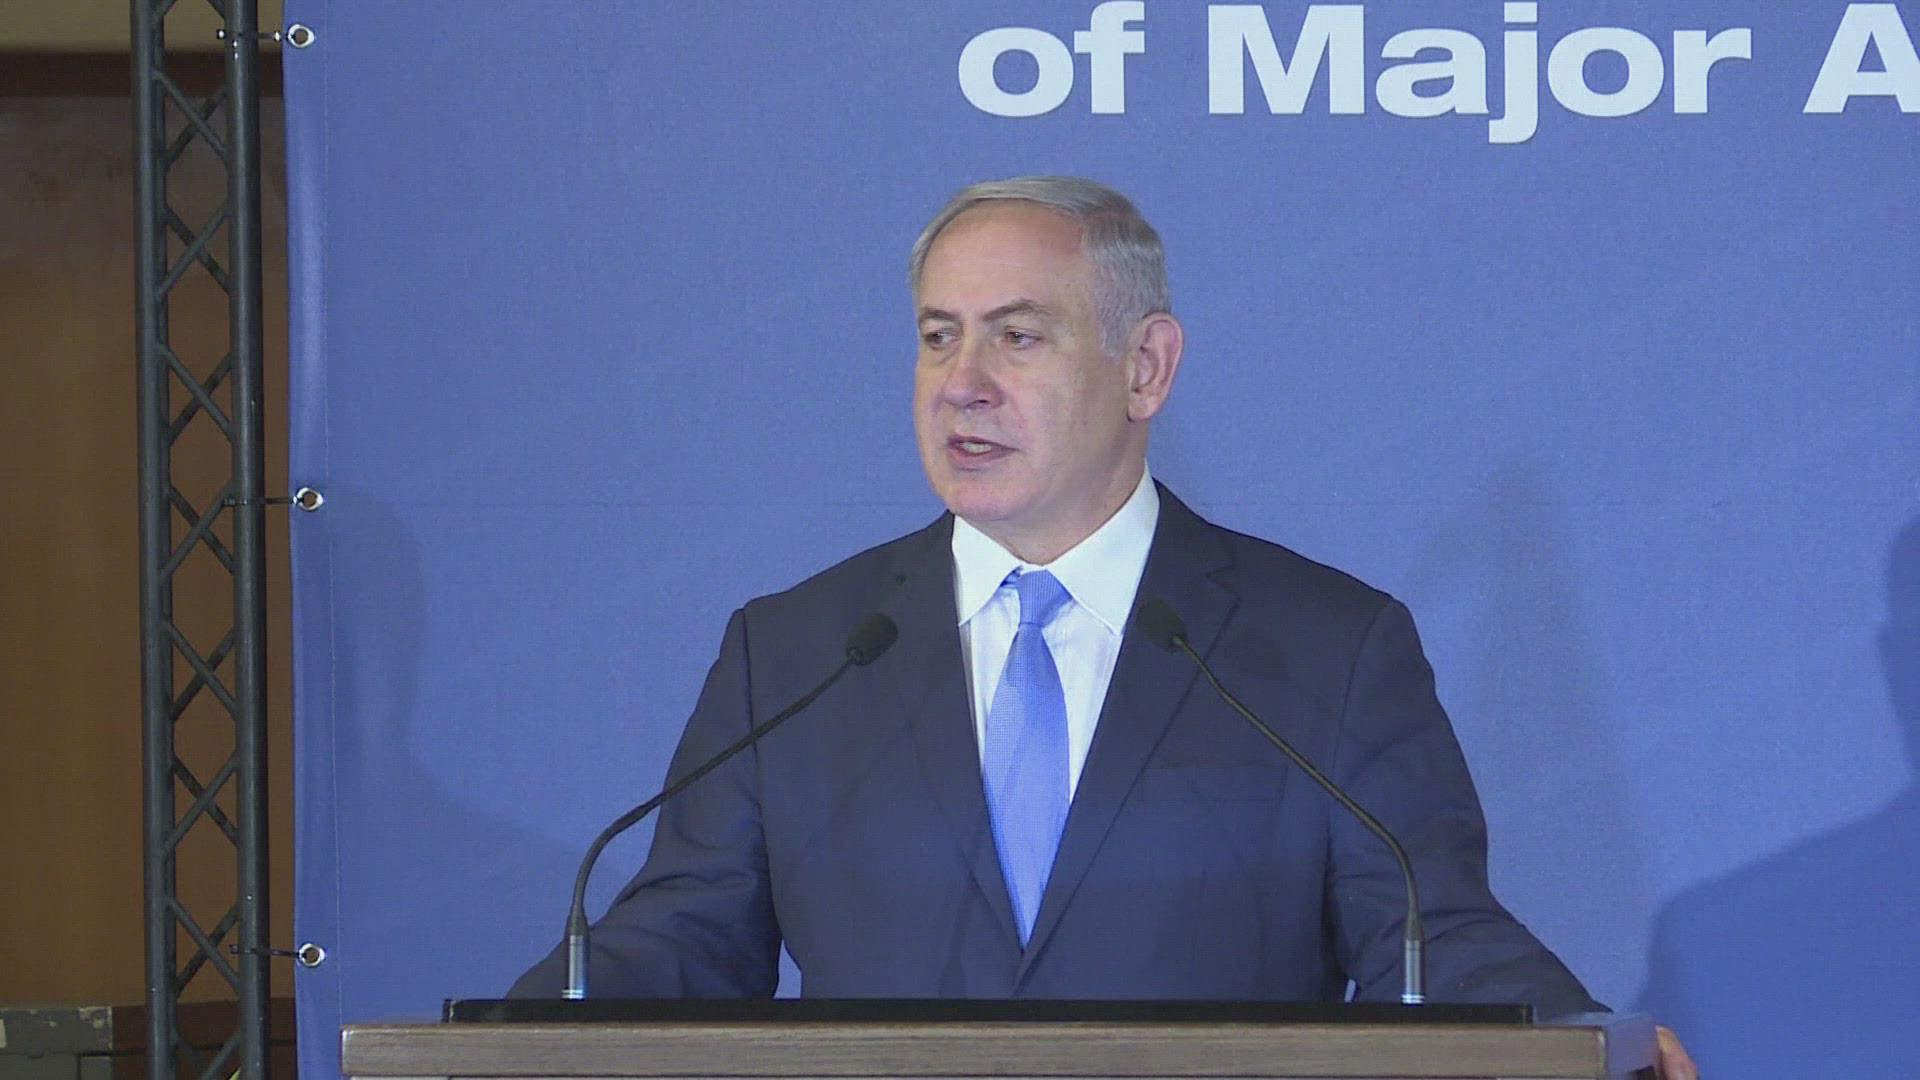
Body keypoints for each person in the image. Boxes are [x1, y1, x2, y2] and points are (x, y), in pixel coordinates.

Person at [513, 176, 1697, 1078]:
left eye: (1018, 335)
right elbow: (682, 943)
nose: (962, 382)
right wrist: (505, 1041)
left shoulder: (1326, 650)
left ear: (1147, 368)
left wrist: (1592, 1044)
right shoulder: (797, 650)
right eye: (938, 334)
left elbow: (1431, 944)